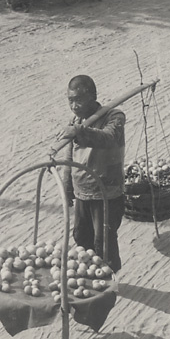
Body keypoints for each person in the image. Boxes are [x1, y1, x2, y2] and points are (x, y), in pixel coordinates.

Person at [62, 75, 126, 273]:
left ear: (93, 96)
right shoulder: (76, 120)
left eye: (79, 100)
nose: (74, 106)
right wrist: (67, 187)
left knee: (103, 241)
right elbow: (69, 157)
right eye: (70, 100)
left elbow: (109, 138)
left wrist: (81, 132)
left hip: (107, 192)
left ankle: (109, 281)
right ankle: (90, 276)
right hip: (82, 192)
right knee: (81, 237)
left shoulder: (114, 117)